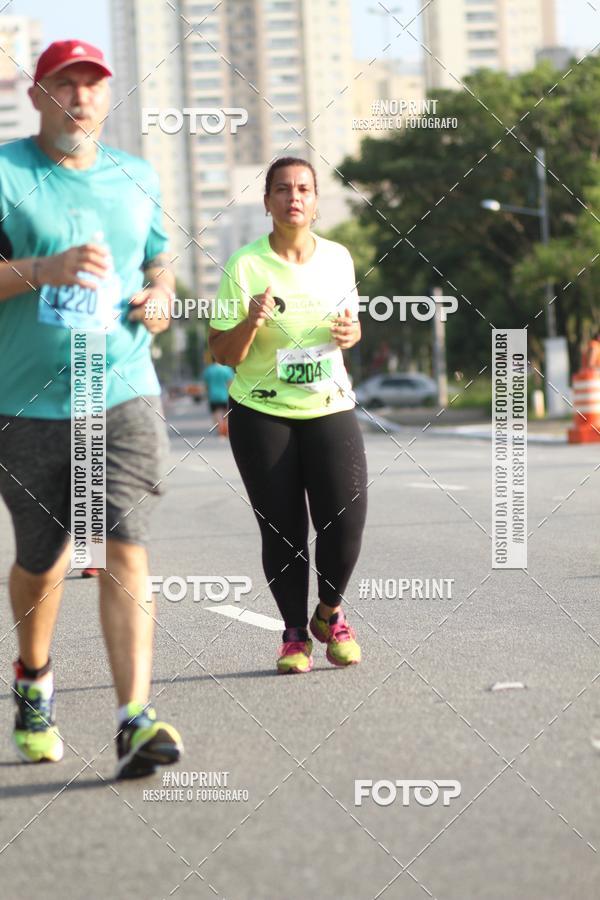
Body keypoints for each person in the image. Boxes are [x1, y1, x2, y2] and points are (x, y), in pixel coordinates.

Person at [0, 40, 183, 777]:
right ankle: (33, 677)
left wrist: (161, 297)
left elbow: (160, 258)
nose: (81, 98)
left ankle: (132, 718)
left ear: (109, 97)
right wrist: (41, 270)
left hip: (123, 387)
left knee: (124, 542)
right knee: (43, 560)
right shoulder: (7, 173)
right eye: (65, 85)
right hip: (27, 401)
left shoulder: (136, 177)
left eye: (93, 85)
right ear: (38, 95)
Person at [209, 157, 367, 674]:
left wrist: (351, 335)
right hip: (262, 412)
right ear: (268, 203)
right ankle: (295, 636)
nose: (293, 197)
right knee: (284, 531)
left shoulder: (339, 258)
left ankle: (330, 612)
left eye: (303, 189)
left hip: (329, 406)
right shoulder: (245, 265)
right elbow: (222, 352)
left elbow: (351, 325)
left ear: (316, 200)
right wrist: (252, 318)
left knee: (344, 524)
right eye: (282, 189)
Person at [202, 357, 234, 436]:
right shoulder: (227, 369)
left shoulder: (208, 370)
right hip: (225, 395)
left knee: (217, 413)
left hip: (213, 396)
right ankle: (225, 429)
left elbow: (206, 385)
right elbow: (230, 383)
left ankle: (220, 429)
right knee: (226, 414)